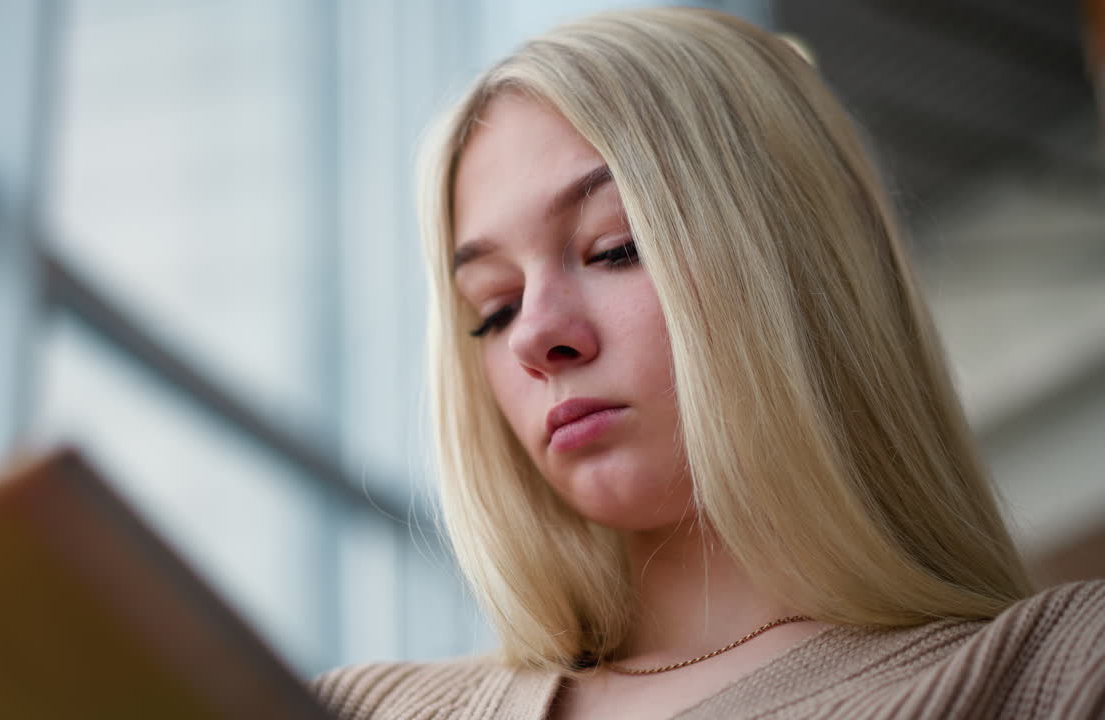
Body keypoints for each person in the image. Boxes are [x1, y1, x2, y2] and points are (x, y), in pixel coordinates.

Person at [313, 7, 1105, 719]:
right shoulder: (359, 709)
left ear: (802, 260)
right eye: (495, 306)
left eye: (617, 247)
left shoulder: (1056, 674)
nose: (534, 337)